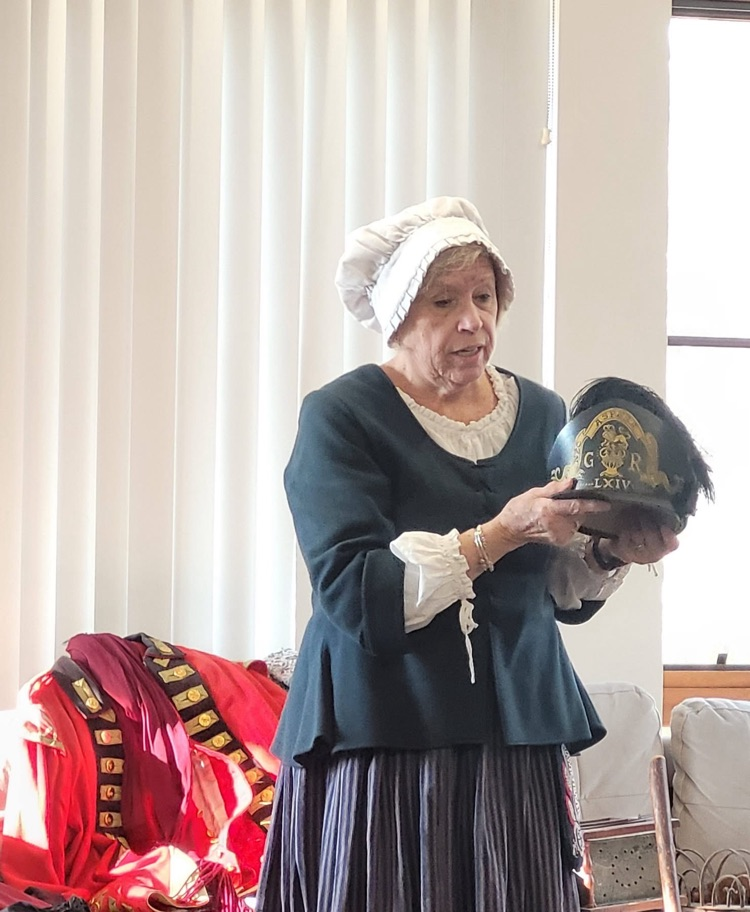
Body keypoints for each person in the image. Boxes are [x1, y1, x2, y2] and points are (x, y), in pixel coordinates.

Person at [255, 197, 679, 912]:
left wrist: (613, 553)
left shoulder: (546, 415)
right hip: (385, 741)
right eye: (444, 301)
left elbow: (550, 583)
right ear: (397, 314)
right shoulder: (341, 416)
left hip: (513, 739)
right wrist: (502, 530)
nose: (472, 319)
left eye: (484, 297)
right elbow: (358, 594)